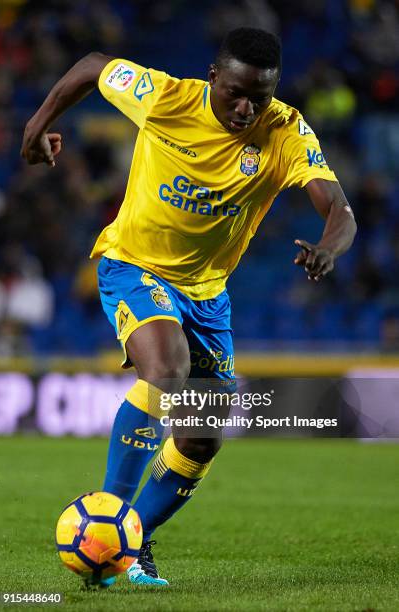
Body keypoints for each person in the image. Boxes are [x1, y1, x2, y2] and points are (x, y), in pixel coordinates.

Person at [21, 28, 357, 587]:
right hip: (134, 265)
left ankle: (132, 542)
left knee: (202, 437)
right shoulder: (166, 97)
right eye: (235, 93)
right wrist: (37, 127)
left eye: (261, 96)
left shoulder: (286, 130)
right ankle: (107, 525)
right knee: (168, 372)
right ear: (212, 77)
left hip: (206, 293)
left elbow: (339, 207)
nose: (247, 108)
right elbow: (92, 63)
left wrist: (328, 246)